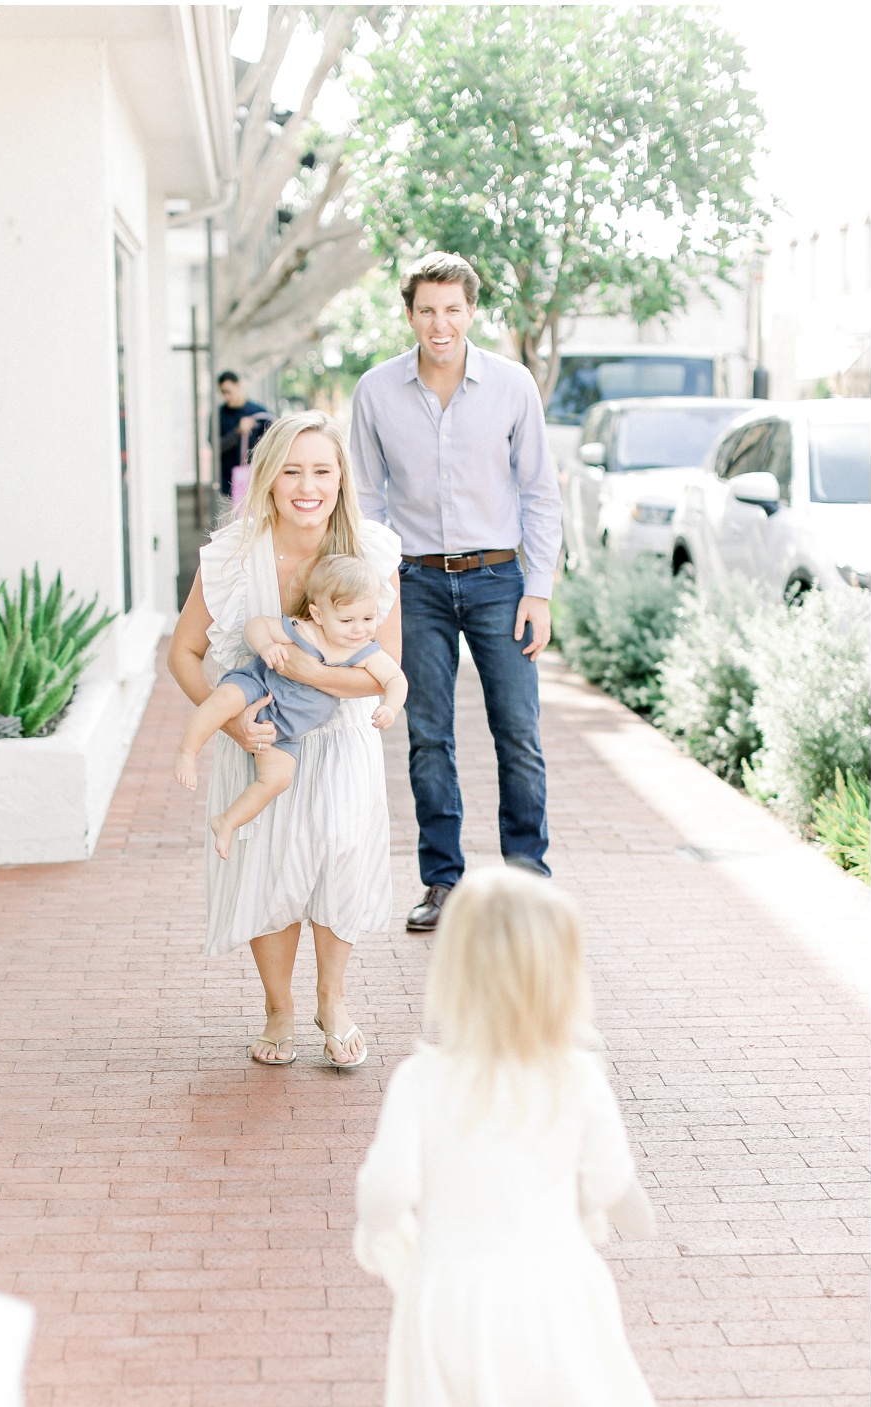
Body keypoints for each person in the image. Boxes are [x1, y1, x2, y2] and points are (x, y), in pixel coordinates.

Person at [354, 866, 663, 1407]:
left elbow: (386, 1189)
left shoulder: (421, 1082)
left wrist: (380, 1228)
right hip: (553, 1291)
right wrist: (630, 1216)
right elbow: (612, 1182)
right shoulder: (575, 1078)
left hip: (449, 1296)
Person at [168, 411, 402, 1068]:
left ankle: (333, 999)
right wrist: (234, 723)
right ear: (269, 476)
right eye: (292, 470)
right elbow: (185, 654)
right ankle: (279, 1009)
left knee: (339, 862)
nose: (307, 485)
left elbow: (384, 670)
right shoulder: (231, 558)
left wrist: (309, 671)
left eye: (322, 470)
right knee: (269, 868)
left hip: (343, 741)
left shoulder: (373, 553)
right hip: (262, 740)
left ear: (340, 477)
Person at [350, 251, 563, 933]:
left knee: (518, 733)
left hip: (501, 579)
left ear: (471, 311)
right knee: (426, 735)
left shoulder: (512, 384)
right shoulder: (377, 391)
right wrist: (378, 586)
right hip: (413, 583)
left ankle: (527, 881)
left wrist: (539, 589)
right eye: (426, 310)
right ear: (409, 313)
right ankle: (442, 881)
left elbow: (539, 490)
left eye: (452, 309)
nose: (439, 324)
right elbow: (363, 495)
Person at [174, 552, 407, 863]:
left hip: (286, 731)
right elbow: (258, 625)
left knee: (277, 780)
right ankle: (188, 752)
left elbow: (395, 678)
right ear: (319, 614)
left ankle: (227, 821)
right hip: (259, 687)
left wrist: (391, 707)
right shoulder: (305, 630)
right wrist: (266, 646)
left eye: (368, 619)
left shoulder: (365, 651)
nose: (359, 629)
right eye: (347, 620)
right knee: (223, 700)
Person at [217, 370, 273, 499]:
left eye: (228, 392)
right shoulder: (219, 415)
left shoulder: (258, 412)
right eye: (223, 393)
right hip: (227, 485)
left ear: (239, 386)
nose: (226, 396)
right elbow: (217, 446)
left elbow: (272, 442)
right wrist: (237, 431)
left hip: (255, 481)